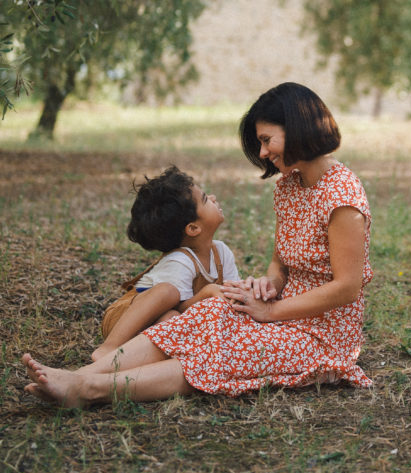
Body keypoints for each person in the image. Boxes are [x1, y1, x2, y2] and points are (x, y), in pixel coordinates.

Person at [21, 83, 372, 408]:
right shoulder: (289, 187)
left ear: (297, 128)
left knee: (215, 355)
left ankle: (88, 390)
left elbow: (346, 288)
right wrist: (267, 286)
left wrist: (271, 312)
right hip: (283, 313)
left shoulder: (342, 198)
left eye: (267, 140)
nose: (263, 153)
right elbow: (280, 264)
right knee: (210, 310)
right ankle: (80, 375)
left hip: (322, 336)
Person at [92, 165, 240, 361]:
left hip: (162, 322)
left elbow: (231, 293)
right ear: (193, 228)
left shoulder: (221, 252)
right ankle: (108, 349)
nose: (213, 197)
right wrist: (207, 292)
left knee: (173, 323)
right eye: (205, 200)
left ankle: (131, 361)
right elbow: (178, 307)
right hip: (124, 320)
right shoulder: (180, 261)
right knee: (168, 294)